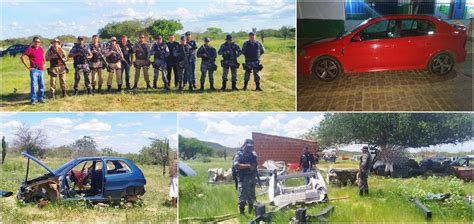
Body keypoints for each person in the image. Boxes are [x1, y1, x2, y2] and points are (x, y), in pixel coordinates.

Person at [233, 139, 258, 215]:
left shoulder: (252, 155)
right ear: (244, 145)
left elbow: (255, 164)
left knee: (251, 195)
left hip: (251, 178)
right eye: (248, 146)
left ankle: (251, 210)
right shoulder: (239, 154)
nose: (250, 148)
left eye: (251, 147)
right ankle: (242, 213)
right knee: (242, 196)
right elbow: (236, 165)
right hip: (243, 178)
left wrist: (254, 165)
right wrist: (248, 166)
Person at [20, 36, 46, 105]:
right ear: (33, 42)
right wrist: (27, 67)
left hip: (41, 69)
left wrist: (45, 63)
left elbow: (43, 56)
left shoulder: (41, 49)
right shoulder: (30, 49)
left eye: (38, 42)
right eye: (36, 41)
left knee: (42, 84)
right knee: (33, 85)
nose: (37, 43)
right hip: (34, 70)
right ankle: (33, 99)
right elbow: (22, 57)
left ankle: (40, 98)